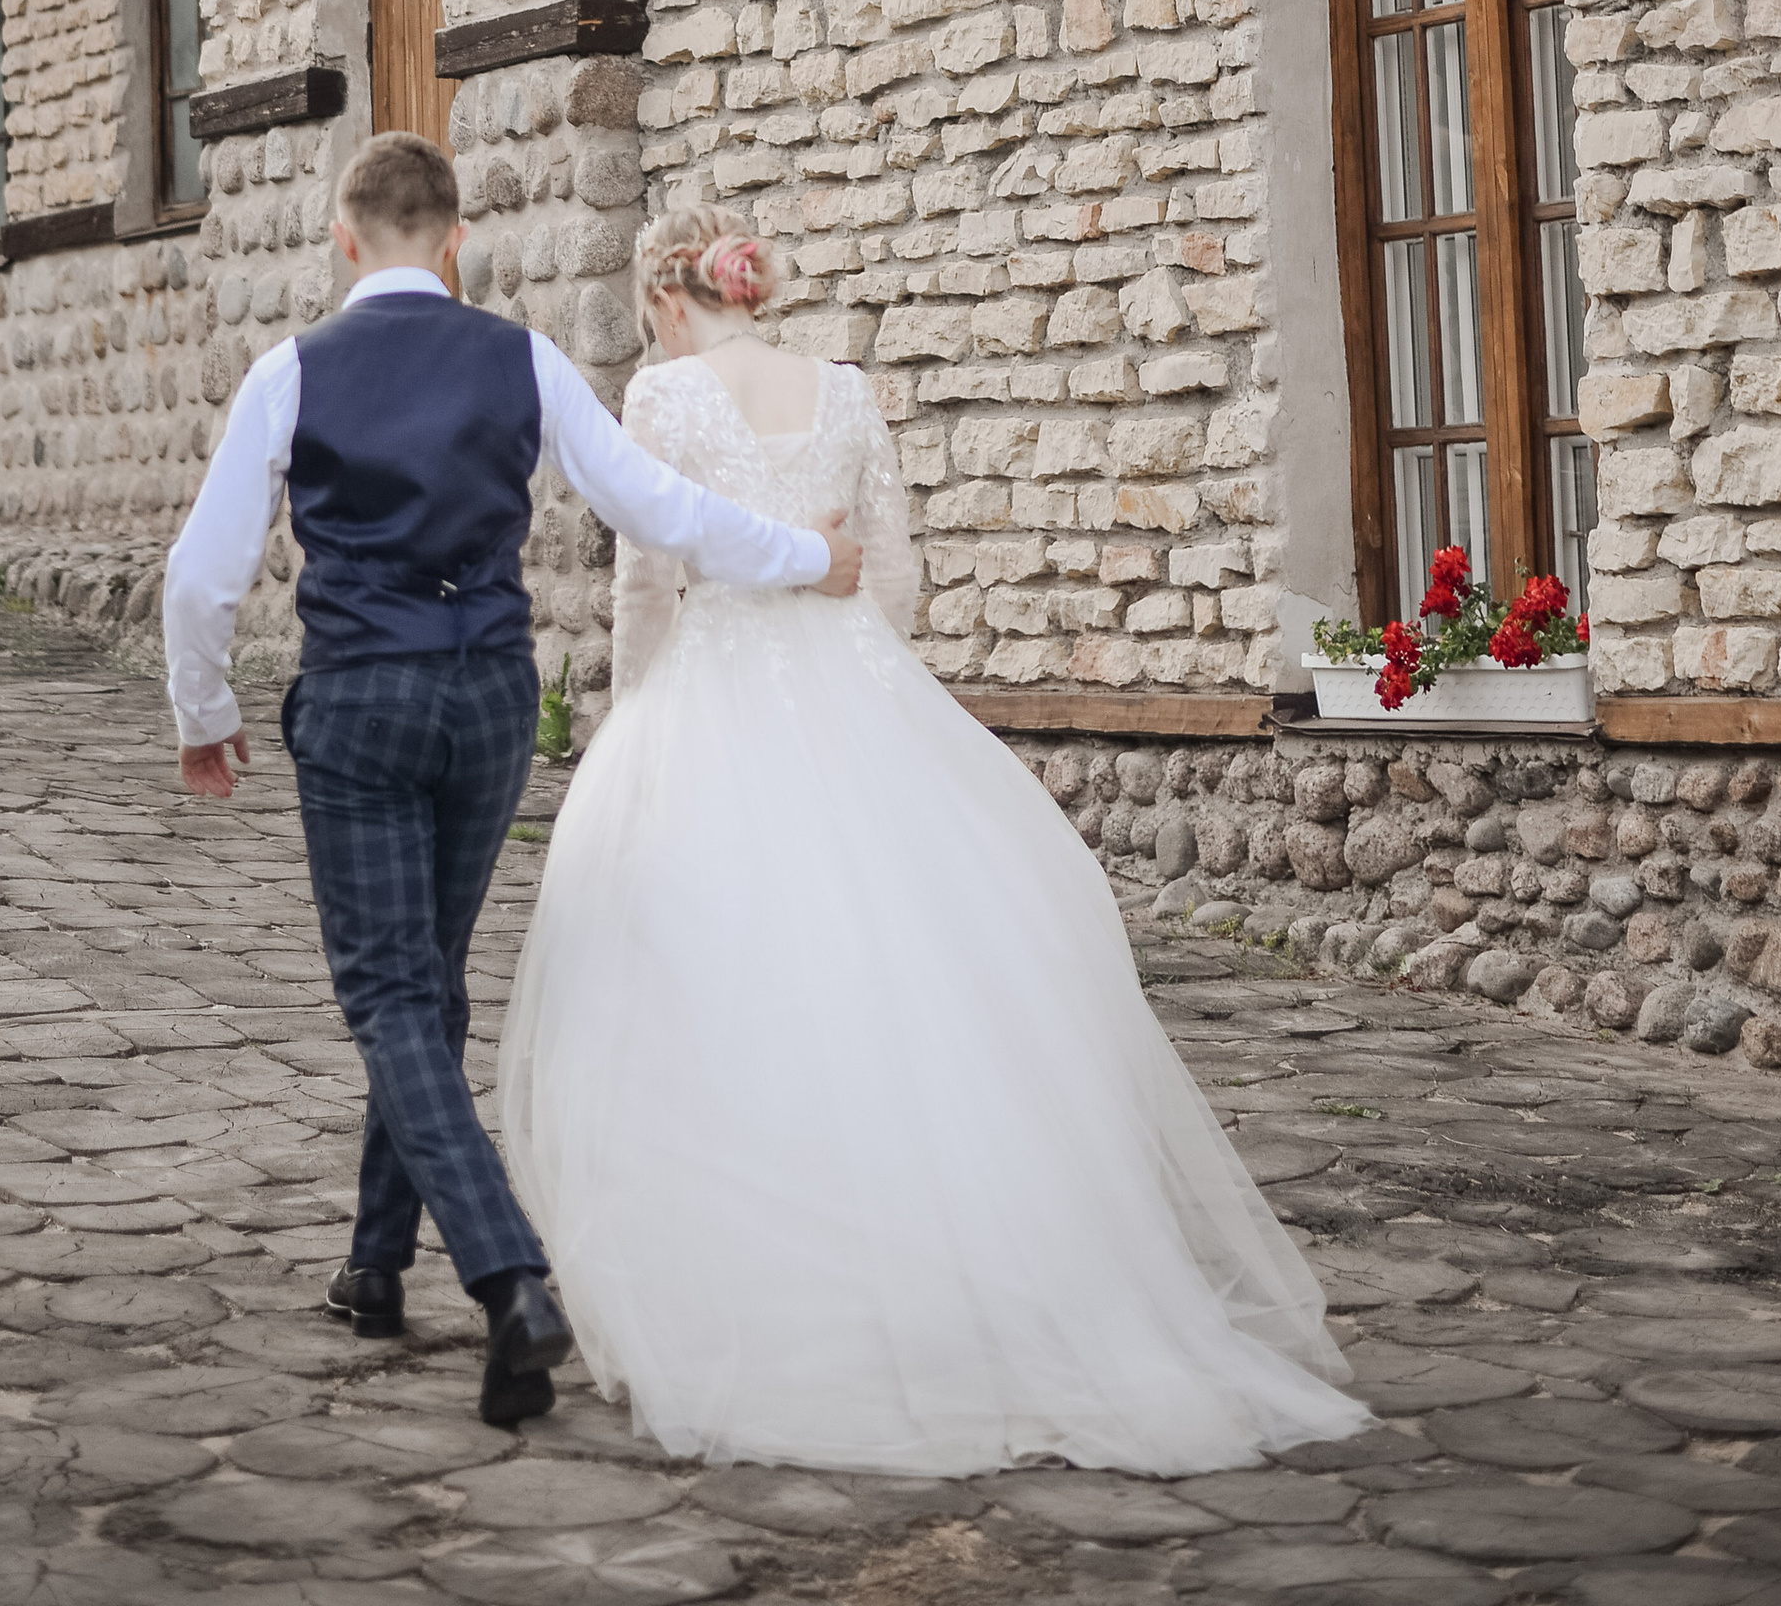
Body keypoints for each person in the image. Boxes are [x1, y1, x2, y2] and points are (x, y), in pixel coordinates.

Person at [495, 210, 1367, 1477]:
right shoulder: (845, 392)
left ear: (668, 300)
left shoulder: (664, 394)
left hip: (718, 684)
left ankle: (762, 1280)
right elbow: (894, 575)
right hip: (856, 688)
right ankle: (965, 1263)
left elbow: (645, 580)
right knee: (907, 975)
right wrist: (866, 684)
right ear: (749, 284)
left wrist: (634, 721)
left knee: (716, 974)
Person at [159, 130, 864, 1429]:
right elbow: (656, 507)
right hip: (488, 698)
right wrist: (803, 556)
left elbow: (202, 575)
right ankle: (375, 1263)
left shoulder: (291, 369)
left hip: (361, 700)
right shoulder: (522, 358)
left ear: (344, 237)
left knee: (390, 995)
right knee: (426, 980)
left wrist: (204, 713)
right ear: (459, 239)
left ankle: (509, 1275)